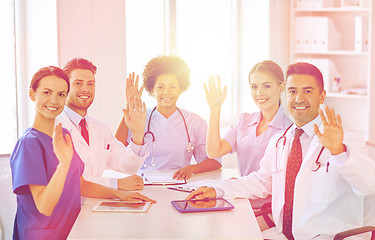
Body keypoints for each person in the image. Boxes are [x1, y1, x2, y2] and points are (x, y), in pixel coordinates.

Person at [187, 62, 375, 239]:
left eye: (307, 91)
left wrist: (338, 152)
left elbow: (368, 185)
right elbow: (260, 182)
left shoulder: (347, 139)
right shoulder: (280, 141)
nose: (299, 98)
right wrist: (217, 190)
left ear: (322, 96)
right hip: (283, 235)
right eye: (293, 91)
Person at [10, 66, 155, 240]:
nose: (54, 100)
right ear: (32, 94)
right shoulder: (29, 144)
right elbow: (44, 206)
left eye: (61, 94)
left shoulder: (63, 135)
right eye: (47, 92)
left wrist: (120, 195)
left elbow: (81, 184)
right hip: (42, 235)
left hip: (70, 230)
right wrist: (63, 165)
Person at [115, 55, 222, 180]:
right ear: (152, 90)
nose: (166, 92)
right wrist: (130, 105)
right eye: (160, 87)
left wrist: (192, 168)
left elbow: (215, 161)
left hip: (181, 184)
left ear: (181, 89)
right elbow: (116, 148)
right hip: (144, 184)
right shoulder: (140, 116)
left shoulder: (195, 122)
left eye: (172, 86)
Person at [56, 57, 147, 191]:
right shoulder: (54, 127)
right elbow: (64, 180)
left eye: (90, 84)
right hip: (67, 207)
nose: (85, 89)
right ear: (65, 87)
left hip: (98, 203)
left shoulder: (101, 128)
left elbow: (127, 167)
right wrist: (115, 184)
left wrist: (137, 135)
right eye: (78, 83)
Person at [205, 60, 292, 176]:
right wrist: (215, 110)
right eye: (254, 87)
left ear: (281, 87)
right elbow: (214, 152)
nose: (259, 93)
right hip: (243, 191)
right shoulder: (244, 121)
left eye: (266, 86)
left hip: (267, 193)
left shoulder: (289, 130)